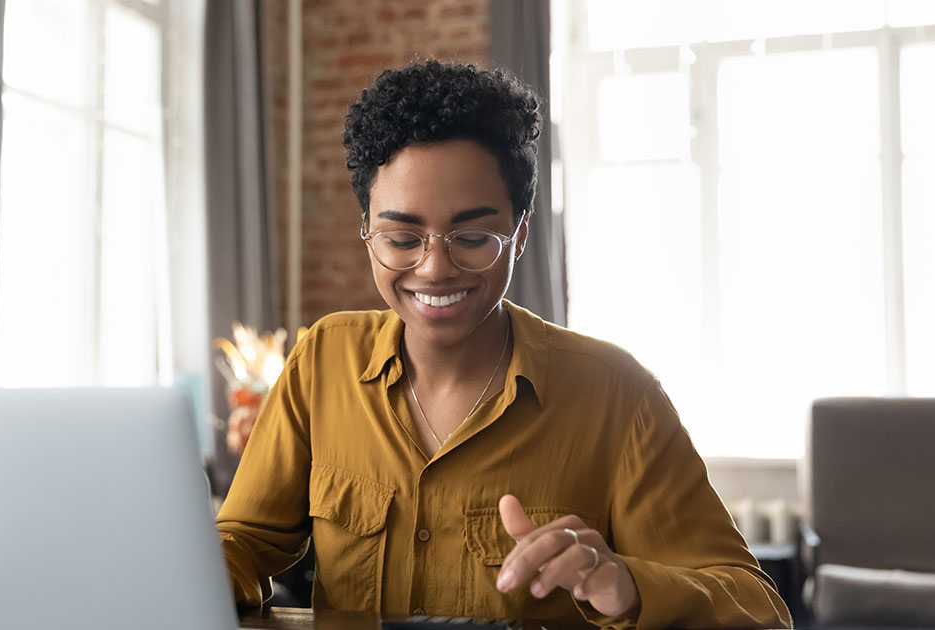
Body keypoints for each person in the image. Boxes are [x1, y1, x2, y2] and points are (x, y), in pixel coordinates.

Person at [216, 60, 791, 629]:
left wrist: (631, 587)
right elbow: (244, 539)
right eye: (401, 237)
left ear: (519, 235)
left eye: (471, 237)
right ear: (366, 231)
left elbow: (759, 609)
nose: (435, 267)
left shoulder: (618, 396)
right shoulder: (323, 361)